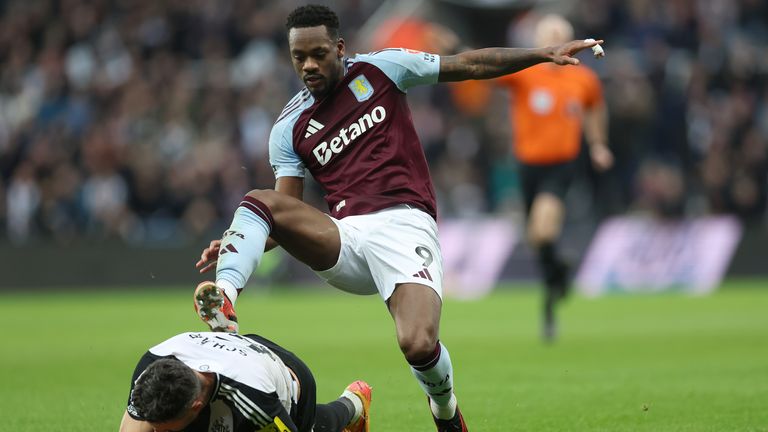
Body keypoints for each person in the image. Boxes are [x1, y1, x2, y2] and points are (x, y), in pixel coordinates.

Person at [193, 4, 604, 431]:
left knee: (418, 343)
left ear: (339, 47)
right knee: (258, 200)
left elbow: (470, 63)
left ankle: (445, 412)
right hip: (345, 237)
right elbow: (285, 210)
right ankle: (224, 297)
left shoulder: (383, 69)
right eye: (299, 57)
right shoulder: (289, 127)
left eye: (318, 54)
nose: (309, 65)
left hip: (405, 225)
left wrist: (542, 53)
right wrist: (246, 237)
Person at [496, 14, 614, 341]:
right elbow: (490, 70)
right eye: (550, 35)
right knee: (537, 238)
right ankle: (557, 280)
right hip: (527, 166)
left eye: (561, 35)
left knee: (543, 229)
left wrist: (598, 144)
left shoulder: (584, 79)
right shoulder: (525, 73)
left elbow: (595, 108)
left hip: (562, 165)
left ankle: (554, 287)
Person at [119, 331, 372, 432]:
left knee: (316, 427)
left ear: (196, 406)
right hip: (237, 356)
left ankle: (354, 403)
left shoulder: (255, 403)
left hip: (287, 381)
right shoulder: (151, 367)